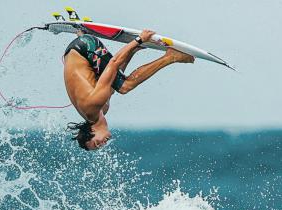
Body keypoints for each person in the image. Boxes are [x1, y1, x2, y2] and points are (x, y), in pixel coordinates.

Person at [64, 29, 195, 151]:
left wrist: (139, 39)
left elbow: (114, 63)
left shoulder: (93, 105)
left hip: (85, 47)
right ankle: (82, 33)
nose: (103, 144)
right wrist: (132, 50)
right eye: (100, 147)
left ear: (91, 131)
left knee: (125, 87)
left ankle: (171, 56)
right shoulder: (101, 110)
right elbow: (114, 77)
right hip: (77, 53)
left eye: (97, 143)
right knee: (120, 85)